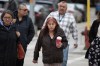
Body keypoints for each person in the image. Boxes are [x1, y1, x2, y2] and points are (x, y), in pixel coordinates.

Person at [42, 1, 78, 66]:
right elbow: (44, 26)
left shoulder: (70, 17)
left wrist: (75, 41)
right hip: (51, 43)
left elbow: (74, 30)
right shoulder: (52, 14)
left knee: (63, 61)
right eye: (60, 6)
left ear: (66, 8)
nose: (61, 8)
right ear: (58, 7)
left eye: (63, 7)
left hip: (63, 43)